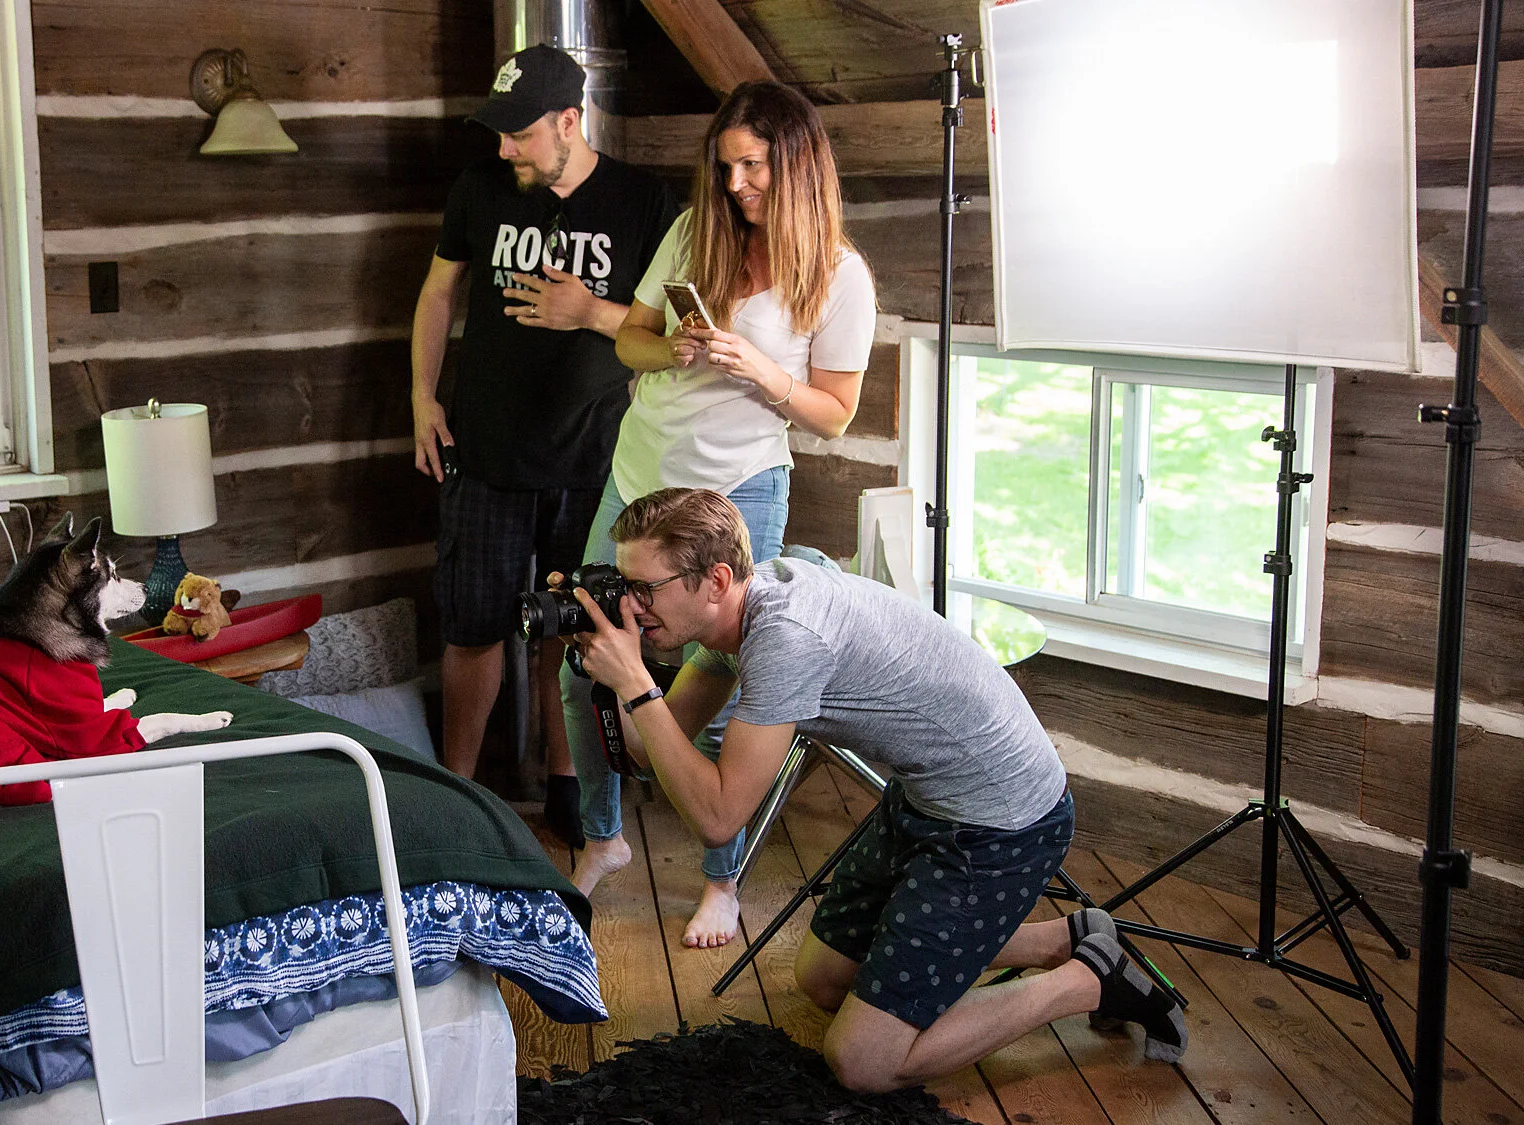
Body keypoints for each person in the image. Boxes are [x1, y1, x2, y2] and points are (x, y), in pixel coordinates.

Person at [562, 488, 1190, 1091]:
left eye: (644, 589)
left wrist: (639, 685)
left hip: (1004, 822)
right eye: (624, 585)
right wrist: (605, 668)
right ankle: (1066, 938)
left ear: (717, 580)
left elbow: (720, 818)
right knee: (822, 980)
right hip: (925, 798)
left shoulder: (786, 640)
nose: (631, 605)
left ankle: (1086, 979)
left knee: (862, 1062)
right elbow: (646, 753)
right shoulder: (741, 612)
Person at [562, 80, 877, 947]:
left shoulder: (839, 276)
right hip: (637, 482)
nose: (737, 184)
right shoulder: (694, 234)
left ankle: (721, 876)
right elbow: (630, 339)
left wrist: (763, 373)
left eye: (754, 168)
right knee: (581, 660)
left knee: (731, 679)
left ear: (798, 165)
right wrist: (677, 347)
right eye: (728, 165)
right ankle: (603, 836)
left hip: (737, 492)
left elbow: (837, 412)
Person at [411, 43, 677, 842]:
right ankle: (459, 787)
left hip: (596, 458)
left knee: (571, 626)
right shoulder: (480, 189)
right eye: (498, 132)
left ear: (571, 120)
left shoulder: (643, 202)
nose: (504, 148)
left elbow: (669, 332)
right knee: (473, 624)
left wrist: (590, 311)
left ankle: (567, 782)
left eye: (520, 133)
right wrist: (422, 399)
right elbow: (436, 294)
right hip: (486, 451)